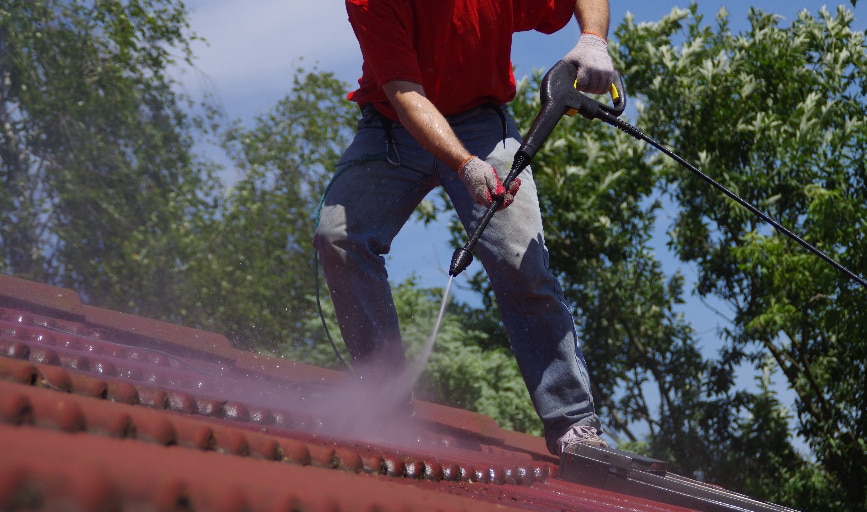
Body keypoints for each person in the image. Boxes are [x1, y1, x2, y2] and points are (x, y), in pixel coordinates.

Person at [314, 0, 616, 456]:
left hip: (482, 124)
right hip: (394, 126)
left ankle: (573, 422)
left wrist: (593, 38)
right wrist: (464, 165)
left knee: (520, 260)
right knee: (337, 236)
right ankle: (386, 405)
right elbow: (405, 94)